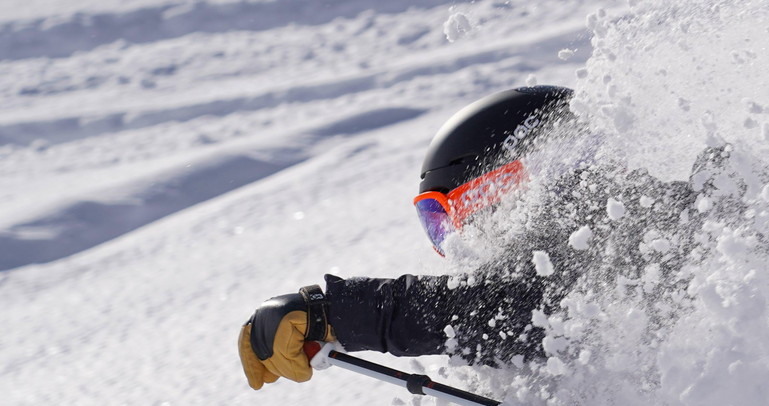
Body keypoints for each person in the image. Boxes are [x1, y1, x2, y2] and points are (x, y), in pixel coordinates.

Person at [237, 85, 709, 389]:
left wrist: (332, 316)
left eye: (459, 212)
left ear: (522, 181)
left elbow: (516, 308)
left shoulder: (643, 230)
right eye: (436, 226)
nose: (459, 240)